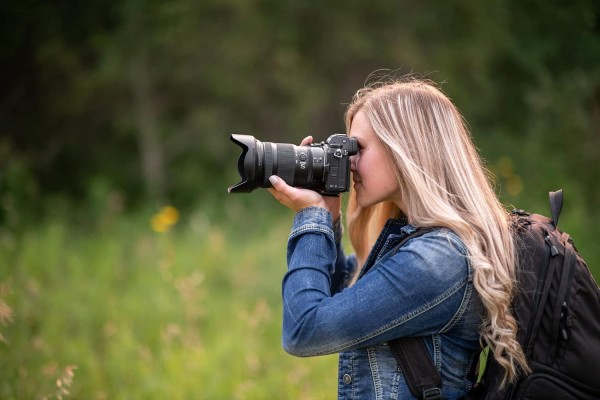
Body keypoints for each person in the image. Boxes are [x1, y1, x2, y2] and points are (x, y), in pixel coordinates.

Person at [267, 77, 529, 399]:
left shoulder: (438, 258)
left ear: (404, 149)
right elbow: (335, 300)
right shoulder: (412, 242)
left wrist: (311, 217)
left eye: (357, 148)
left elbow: (305, 329)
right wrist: (328, 216)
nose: (348, 163)